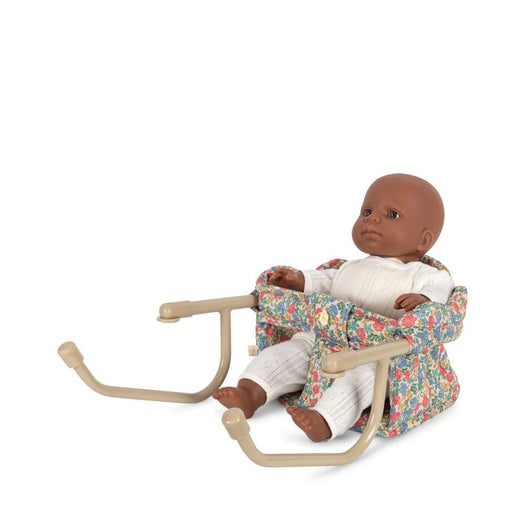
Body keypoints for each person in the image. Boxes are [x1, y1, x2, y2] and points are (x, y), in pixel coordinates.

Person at [213, 174, 455, 441]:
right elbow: (325, 282)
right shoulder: (348, 267)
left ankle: (325, 420)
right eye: (367, 211)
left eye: (392, 215)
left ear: (423, 240)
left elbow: (442, 292)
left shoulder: (423, 274)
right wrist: (298, 281)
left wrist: (423, 299)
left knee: (359, 383)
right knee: (283, 354)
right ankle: (249, 393)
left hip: (379, 356)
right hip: (324, 340)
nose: (373, 219)